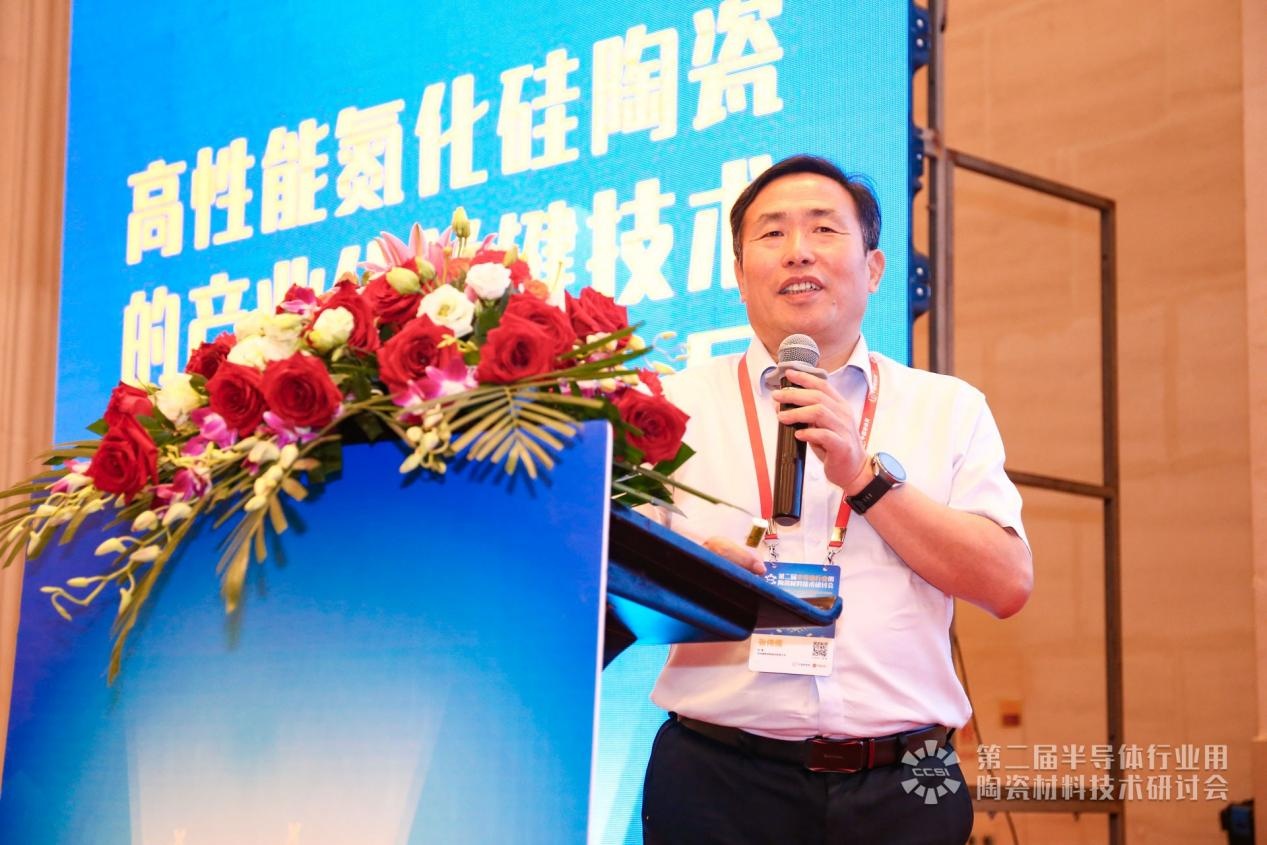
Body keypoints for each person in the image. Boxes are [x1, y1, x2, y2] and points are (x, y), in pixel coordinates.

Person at [641, 154, 1033, 845]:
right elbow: (605, 587)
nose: (798, 251)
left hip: (905, 785)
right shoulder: (670, 405)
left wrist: (864, 477)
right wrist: (695, 576)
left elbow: (1005, 584)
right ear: (739, 275)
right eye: (772, 233)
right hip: (716, 780)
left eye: (823, 229)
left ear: (874, 269)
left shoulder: (948, 408)